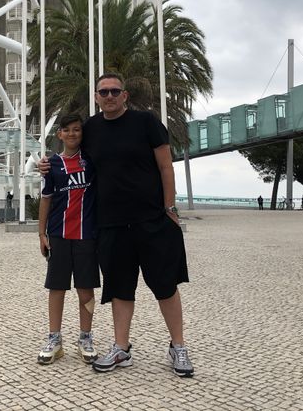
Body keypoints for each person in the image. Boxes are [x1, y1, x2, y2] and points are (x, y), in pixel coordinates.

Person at [39, 73, 193, 378]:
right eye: (103, 92)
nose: (109, 96)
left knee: (164, 285)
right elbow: (70, 155)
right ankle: (121, 348)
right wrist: (47, 164)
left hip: (152, 219)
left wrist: (170, 206)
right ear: (96, 97)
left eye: (114, 91)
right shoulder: (92, 129)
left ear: (125, 95)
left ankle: (178, 346)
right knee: (120, 288)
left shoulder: (146, 122)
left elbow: (165, 165)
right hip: (110, 224)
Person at [37, 114, 99, 366]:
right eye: (67, 130)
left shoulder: (92, 162)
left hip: (87, 235)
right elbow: (46, 198)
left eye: (77, 130)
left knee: (86, 288)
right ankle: (54, 338)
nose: (72, 134)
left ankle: (85, 337)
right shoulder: (51, 164)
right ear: (59, 134)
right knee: (57, 287)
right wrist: (41, 233)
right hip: (59, 235)